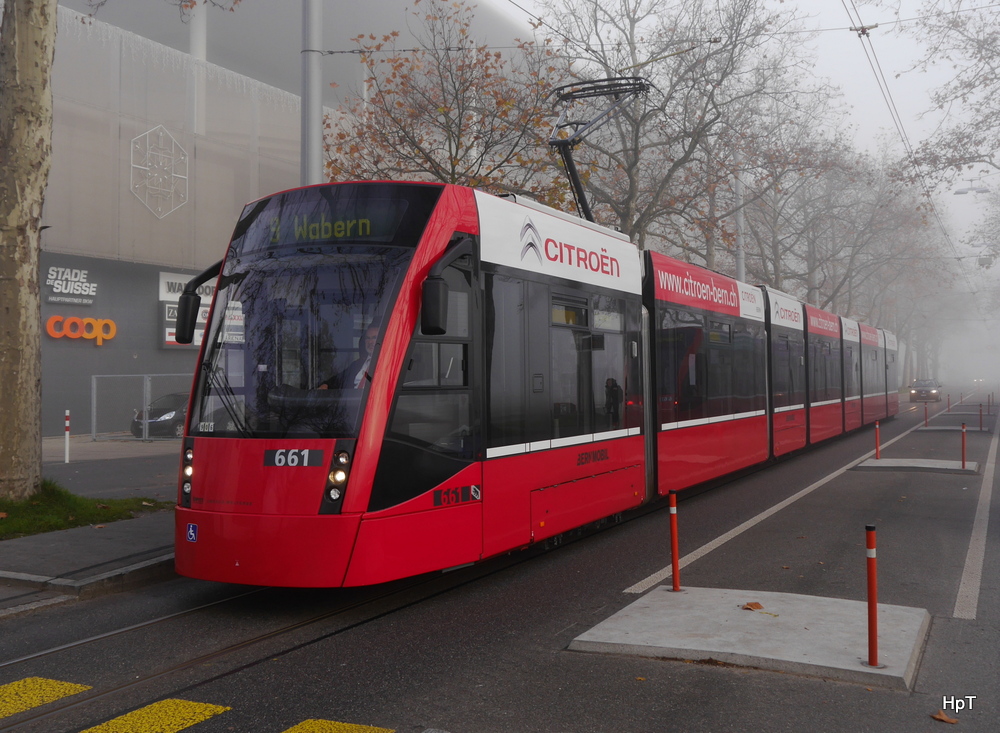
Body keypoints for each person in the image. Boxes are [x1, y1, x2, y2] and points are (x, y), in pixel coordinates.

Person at [318, 325, 379, 390]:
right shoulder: (357, 364)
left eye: (374, 337)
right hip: (353, 399)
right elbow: (340, 379)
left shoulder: (387, 364)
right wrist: (326, 385)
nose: (370, 342)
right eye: (368, 338)